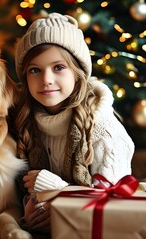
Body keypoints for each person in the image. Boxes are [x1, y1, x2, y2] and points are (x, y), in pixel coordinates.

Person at [13, 12, 135, 232]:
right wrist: (31, 213)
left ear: (78, 73)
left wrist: (56, 190)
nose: (46, 79)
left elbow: (115, 201)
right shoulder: (23, 123)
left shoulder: (102, 127)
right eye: (35, 70)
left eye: (58, 67)